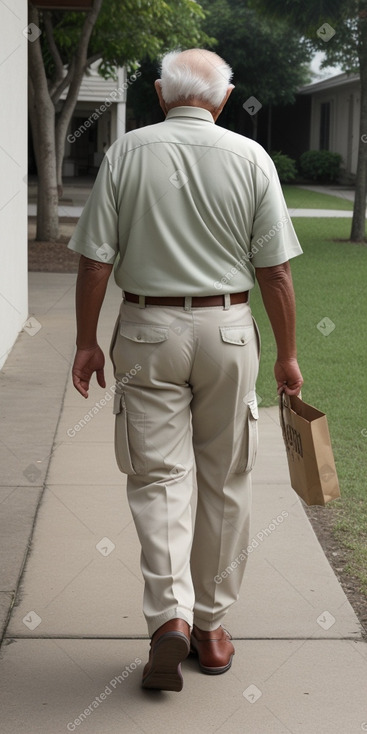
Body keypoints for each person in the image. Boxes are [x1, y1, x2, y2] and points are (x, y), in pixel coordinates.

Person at [68, 48, 303, 693]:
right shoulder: (251, 158)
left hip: (147, 331)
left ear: (160, 93)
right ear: (223, 100)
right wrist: (285, 354)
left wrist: (87, 341)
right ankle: (211, 627)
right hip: (227, 330)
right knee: (226, 477)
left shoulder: (125, 152)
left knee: (158, 478)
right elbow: (275, 271)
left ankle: (168, 615)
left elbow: (94, 264)